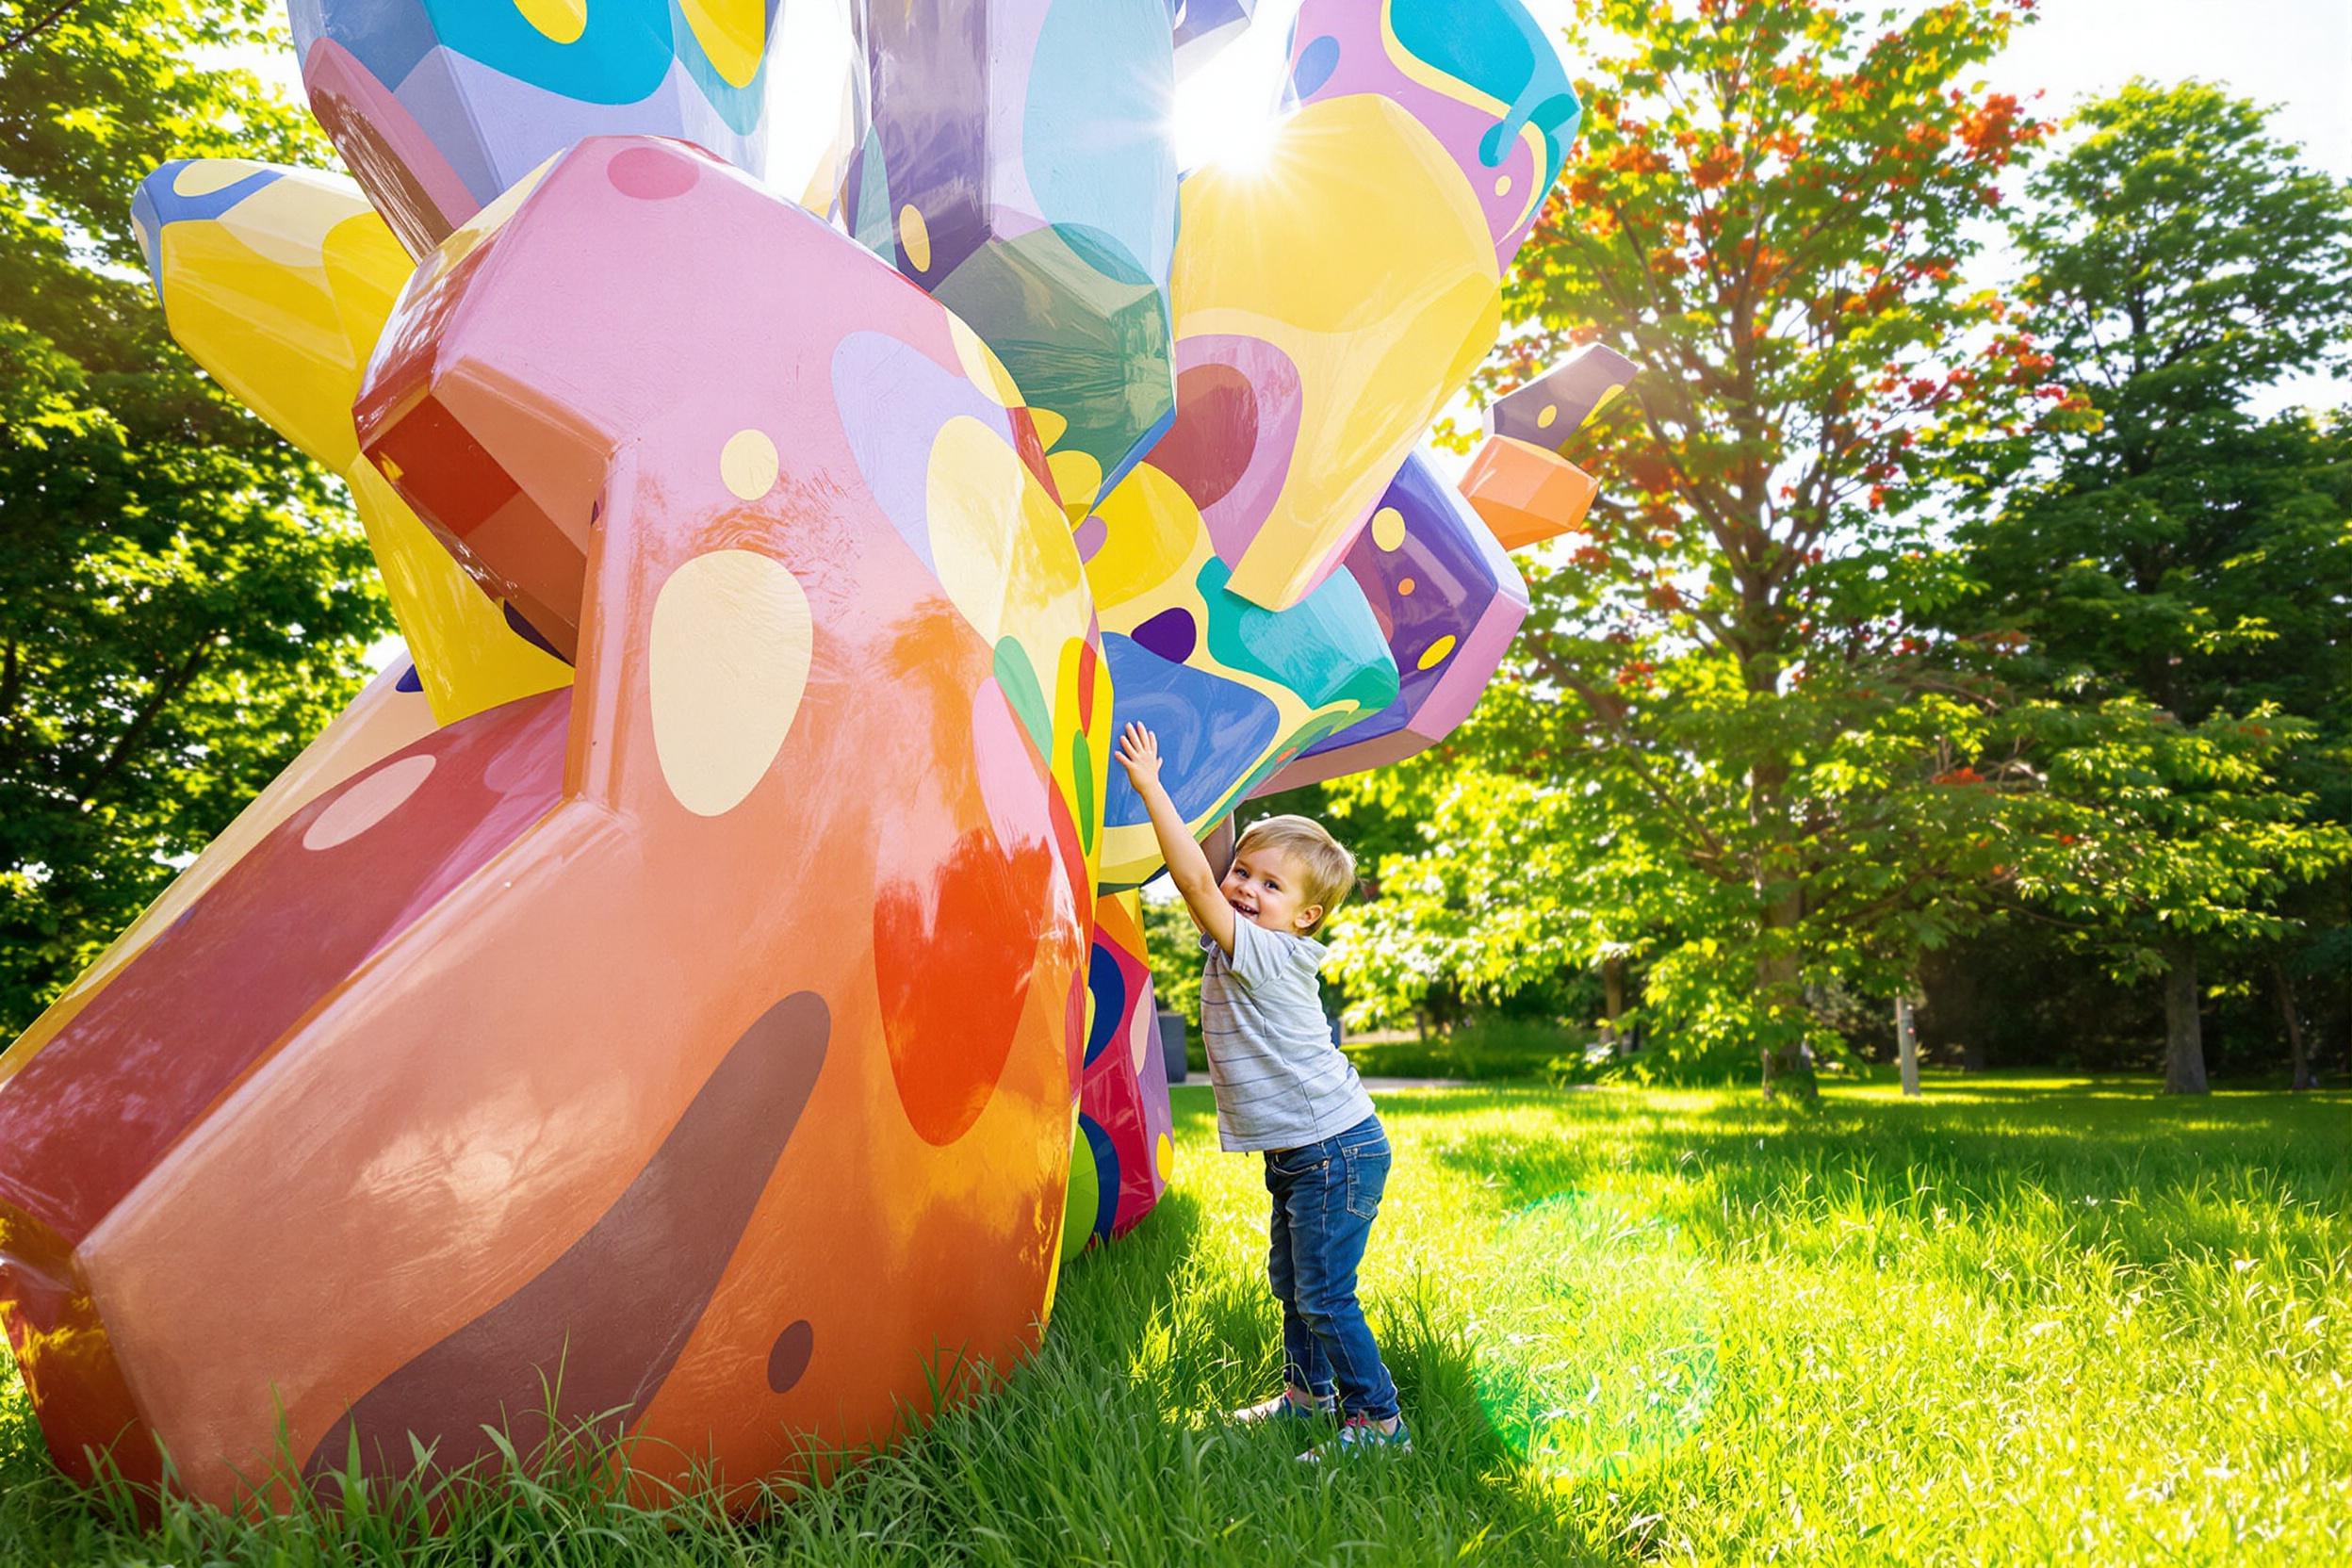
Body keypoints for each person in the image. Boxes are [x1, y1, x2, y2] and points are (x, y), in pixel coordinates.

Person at [1113, 721, 1412, 1460]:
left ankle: (1379, 1421)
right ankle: (1307, 1400)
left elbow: (1191, 880)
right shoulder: (1241, 933)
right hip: (1302, 1152)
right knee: (1293, 1285)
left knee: (1324, 1294)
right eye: (1245, 873)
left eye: (1270, 885)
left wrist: (1152, 786)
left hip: (1333, 1148)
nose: (1245, 888)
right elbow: (1213, 861)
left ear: (1305, 915)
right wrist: (1220, 773)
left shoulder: (1272, 952)